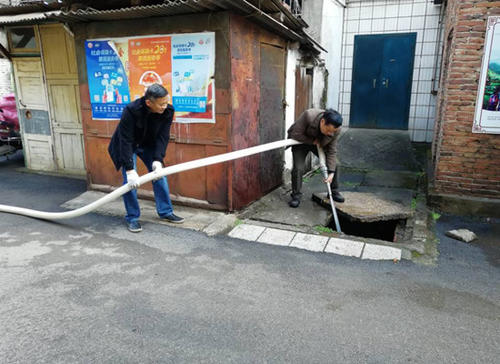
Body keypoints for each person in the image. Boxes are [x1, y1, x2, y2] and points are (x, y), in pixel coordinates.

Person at [108, 83, 184, 232]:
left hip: (148, 145)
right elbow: (125, 140)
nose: (164, 106)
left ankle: (165, 212)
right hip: (128, 146)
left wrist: (157, 159)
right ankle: (133, 217)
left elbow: (163, 136)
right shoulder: (131, 110)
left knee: (159, 175)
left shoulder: (168, 111)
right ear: (149, 102)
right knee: (130, 183)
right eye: (161, 104)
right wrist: (130, 169)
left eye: (166, 102)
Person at [287, 108, 344, 208]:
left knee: (336, 164)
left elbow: (331, 150)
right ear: (322, 122)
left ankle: (334, 191)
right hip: (300, 141)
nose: (330, 134)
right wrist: (312, 141)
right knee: (298, 168)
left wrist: (331, 172)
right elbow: (295, 134)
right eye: (328, 130)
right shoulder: (309, 115)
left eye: (332, 132)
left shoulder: (336, 129)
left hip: (319, 143)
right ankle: (296, 196)